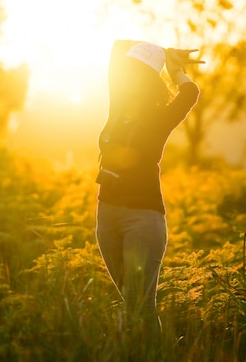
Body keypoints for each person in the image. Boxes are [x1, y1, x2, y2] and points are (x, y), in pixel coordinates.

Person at [95, 39, 202, 338]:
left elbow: (190, 93)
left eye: (135, 72)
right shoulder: (117, 107)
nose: (126, 75)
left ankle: (147, 353)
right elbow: (116, 46)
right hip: (107, 217)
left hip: (142, 220)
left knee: (140, 306)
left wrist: (173, 66)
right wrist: (162, 49)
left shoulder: (159, 117)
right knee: (130, 302)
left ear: (147, 80)